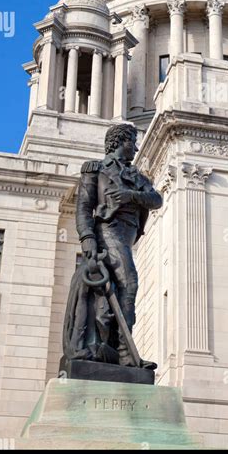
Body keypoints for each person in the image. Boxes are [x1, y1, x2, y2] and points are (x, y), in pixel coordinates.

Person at [62, 123, 163, 366]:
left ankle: (118, 350)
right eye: (132, 142)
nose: (136, 148)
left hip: (128, 237)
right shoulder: (95, 170)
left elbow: (156, 199)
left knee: (117, 292)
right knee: (129, 283)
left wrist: (132, 196)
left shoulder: (137, 176)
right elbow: (84, 208)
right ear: (119, 142)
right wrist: (87, 238)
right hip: (108, 231)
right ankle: (126, 353)